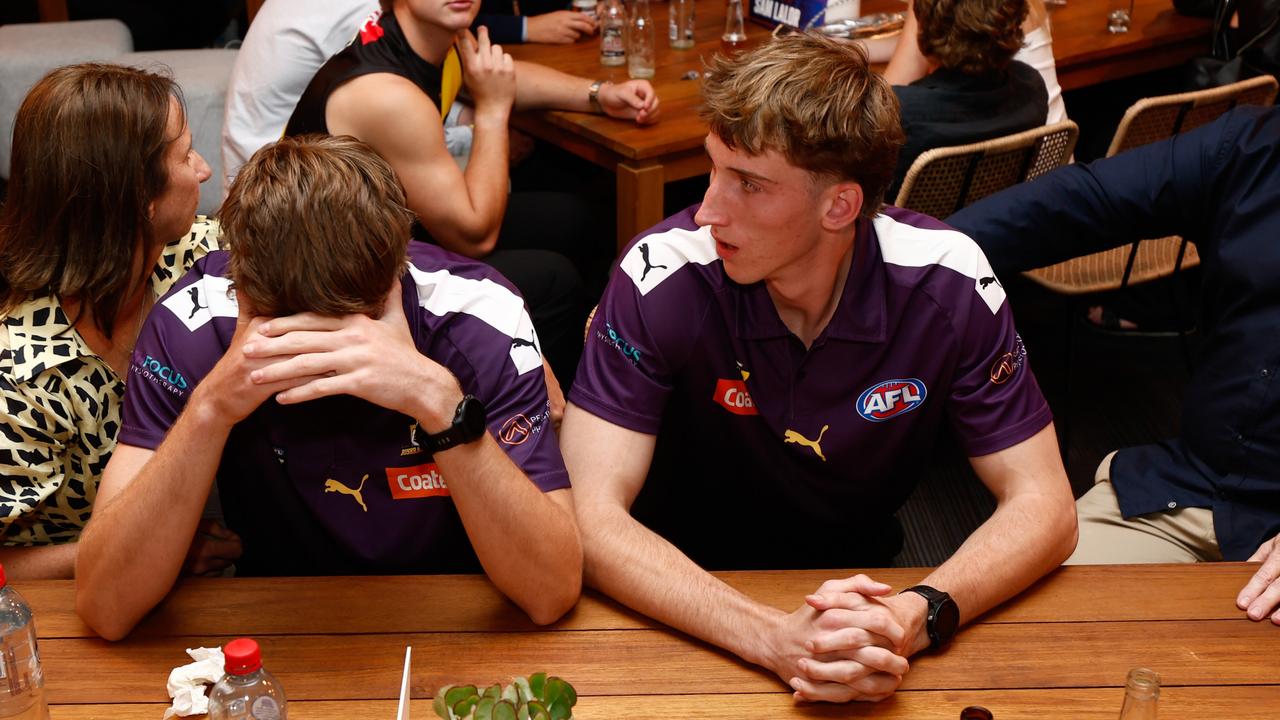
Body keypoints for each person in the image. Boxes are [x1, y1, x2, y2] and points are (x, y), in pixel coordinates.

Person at [560, 33, 1077, 704]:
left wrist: (911, 616)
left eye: (748, 184)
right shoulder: (661, 274)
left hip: (866, 592)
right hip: (676, 593)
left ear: (840, 206)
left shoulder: (948, 281)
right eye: (713, 167)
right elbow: (588, 521)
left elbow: (1047, 507)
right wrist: (772, 637)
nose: (709, 207)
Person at [74, 134, 582, 640]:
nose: (322, 358)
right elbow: (106, 606)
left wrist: (440, 403)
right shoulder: (194, 324)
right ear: (242, 283)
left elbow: (550, 591)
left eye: (346, 324)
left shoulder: (477, 315)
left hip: (461, 609)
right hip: (278, 620)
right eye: (287, 326)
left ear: (394, 273)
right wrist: (209, 409)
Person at [947, 105, 1280, 627]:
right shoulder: (1257, 146)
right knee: (1000, 644)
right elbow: (1083, 200)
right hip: (1182, 496)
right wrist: (914, 255)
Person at [285, 0, 659, 387]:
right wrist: (492, 111)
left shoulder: (429, 39)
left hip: (381, 233)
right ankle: (544, 415)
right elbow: (475, 235)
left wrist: (600, 93)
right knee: (553, 280)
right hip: (333, 280)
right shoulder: (386, 94)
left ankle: (613, 367)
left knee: (574, 218)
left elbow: (492, 74)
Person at [0, 63, 217, 579]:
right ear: (139, 200)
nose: (204, 169)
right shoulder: (19, 376)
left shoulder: (197, 257)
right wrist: (152, 543)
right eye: (186, 155)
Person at [221, 0, 597, 190]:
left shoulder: (402, 20)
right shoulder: (363, 20)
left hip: (332, 179)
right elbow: (392, 107)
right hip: (280, 207)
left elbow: (471, 67)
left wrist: (597, 93)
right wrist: (485, 122)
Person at [882, 0, 1048, 196]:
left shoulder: (903, 112)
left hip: (912, 225)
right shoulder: (1030, 87)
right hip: (994, 220)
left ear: (921, 27)